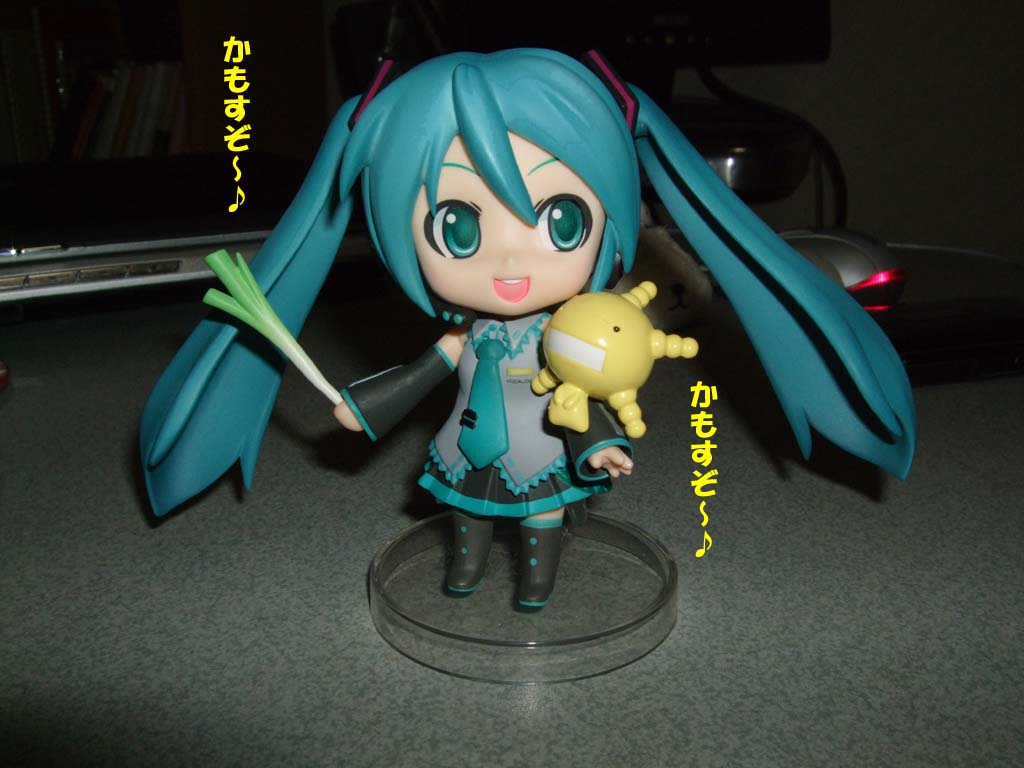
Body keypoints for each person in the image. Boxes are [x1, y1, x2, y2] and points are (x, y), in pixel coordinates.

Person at [141, 49, 914, 610]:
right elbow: (419, 377)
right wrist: (362, 407)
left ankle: (536, 587)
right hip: (469, 446)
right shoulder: (463, 337)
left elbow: (579, 391)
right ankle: (463, 574)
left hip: (542, 454)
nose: (511, 260)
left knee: (543, 516)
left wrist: (598, 442)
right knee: (468, 514)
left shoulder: (570, 328)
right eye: (458, 227)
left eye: (559, 220)